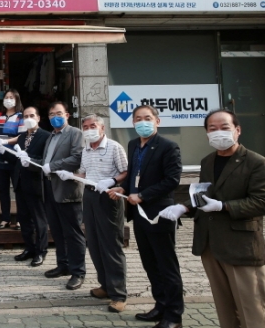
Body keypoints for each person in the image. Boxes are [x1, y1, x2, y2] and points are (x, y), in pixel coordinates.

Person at [159, 110, 265, 328]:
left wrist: (224, 206)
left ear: (237, 130)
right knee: (224, 306)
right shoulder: (208, 161)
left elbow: (260, 201)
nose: (218, 133)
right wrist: (184, 207)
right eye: (212, 128)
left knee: (251, 307)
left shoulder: (256, 162)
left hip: (241, 246)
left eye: (224, 127)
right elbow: (205, 196)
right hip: (210, 243)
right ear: (206, 133)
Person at [107, 105, 183, 328]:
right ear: (132, 123)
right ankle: (160, 306)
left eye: (147, 118)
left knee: (167, 265)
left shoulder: (169, 146)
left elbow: (172, 180)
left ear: (157, 121)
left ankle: (174, 315)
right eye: (138, 118)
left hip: (159, 213)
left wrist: (142, 195)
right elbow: (134, 175)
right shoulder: (133, 145)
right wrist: (124, 188)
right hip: (138, 214)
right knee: (150, 264)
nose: (142, 122)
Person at [75, 114, 128, 313]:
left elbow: (126, 171)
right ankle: (105, 285)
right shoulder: (86, 150)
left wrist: (112, 181)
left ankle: (119, 294)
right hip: (89, 197)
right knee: (94, 243)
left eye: (93, 125)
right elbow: (83, 173)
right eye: (85, 126)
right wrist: (66, 175)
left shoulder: (114, 147)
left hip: (109, 197)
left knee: (111, 245)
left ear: (102, 128)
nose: (89, 129)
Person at [39, 101, 85, 290]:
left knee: (73, 233)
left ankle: (78, 272)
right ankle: (63, 265)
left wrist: (54, 166)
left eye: (58, 113)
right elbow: (46, 161)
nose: (54, 117)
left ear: (67, 114)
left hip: (67, 189)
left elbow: (77, 158)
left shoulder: (75, 133)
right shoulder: (51, 137)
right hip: (50, 188)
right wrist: (29, 160)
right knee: (57, 231)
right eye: (51, 114)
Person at [10, 107, 51, 267]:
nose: (28, 118)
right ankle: (29, 248)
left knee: (39, 220)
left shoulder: (46, 136)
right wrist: (2, 150)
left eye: (31, 115)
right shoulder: (21, 137)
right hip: (20, 182)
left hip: (36, 183)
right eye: (25, 116)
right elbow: (17, 158)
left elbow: (46, 159)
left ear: (38, 117)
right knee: (24, 218)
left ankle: (41, 251)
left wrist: (31, 159)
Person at [0, 90, 26, 230]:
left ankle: (20, 219)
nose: (8, 100)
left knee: (19, 189)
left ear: (17, 100)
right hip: (0, 156)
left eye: (11, 97)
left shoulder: (21, 117)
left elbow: (22, 136)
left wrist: (5, 142)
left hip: (15, 156)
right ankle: (5, 218)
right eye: (6, 97)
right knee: (3, 190)